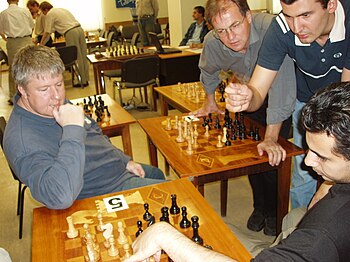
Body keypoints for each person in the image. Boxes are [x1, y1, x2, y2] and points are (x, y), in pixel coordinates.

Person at [123, 81, 350, 262]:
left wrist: (165, 235)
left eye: (322, 156)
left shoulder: (324, 234)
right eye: (310, 149)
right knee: (292, 216)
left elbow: (317, 241)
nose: (307, 161)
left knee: (212, 231)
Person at [3, 45, 166, 210]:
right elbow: (60, 197)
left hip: (115, 169)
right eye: (44, 89)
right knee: (179, 196)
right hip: (101, 191)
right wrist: (72, 129)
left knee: (157, 174)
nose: (57, 96)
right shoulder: (21, 140)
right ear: (22, 89)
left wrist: (123, 160)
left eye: (59, 84)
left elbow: (93, 131)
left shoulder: (50, 103)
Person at [225, 0, 350, 209]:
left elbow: (344, 104)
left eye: (305, 16)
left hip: (343, 102)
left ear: (331, 5)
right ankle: (303, 227)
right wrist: (247, 97)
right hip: (307, 101)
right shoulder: (281, 28)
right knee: (304, 171)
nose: (296, 28)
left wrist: (327, 185)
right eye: (289, 16)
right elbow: (257, 92)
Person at [191, 0, 296, 236]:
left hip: (283, 92)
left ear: (248, 15)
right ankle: (260, 206)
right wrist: (209, 101)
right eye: (221, 31)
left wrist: (271, 136)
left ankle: (274, 211)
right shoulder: (213, 41)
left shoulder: (273, 30)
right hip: (248, 94)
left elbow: (282, 87)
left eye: (235, 25)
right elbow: (207, 70)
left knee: (272, 157)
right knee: (250, 152)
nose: (230, 36)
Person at [39, 1, 89, 87]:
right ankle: (86, 79)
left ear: (45, 10)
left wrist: (41, 44)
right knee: (83, 55)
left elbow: (47, 32)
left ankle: (81, 81)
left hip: (70, 32)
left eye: (43, 12)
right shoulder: (61, 9)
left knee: (76, 57)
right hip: (80, 29)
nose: (43, 14)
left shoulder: (50, 14)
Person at [0, 0, 34, 105]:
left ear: (7, 1)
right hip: (27, 40)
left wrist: (5, 38)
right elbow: (32, 26)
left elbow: (0, 29)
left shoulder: (3, 14)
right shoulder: (25, 11)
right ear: (18, 0)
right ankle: (31, 94)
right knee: (30, 67)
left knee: (14, 69)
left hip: (12, 41)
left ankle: (14, 96)